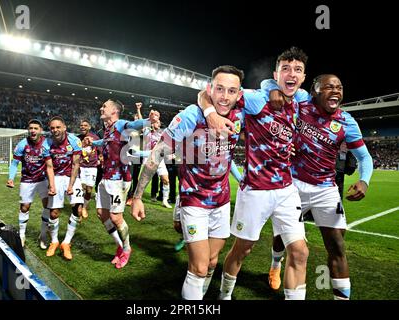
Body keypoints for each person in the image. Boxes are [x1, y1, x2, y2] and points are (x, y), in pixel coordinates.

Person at [199, 47, 309, 300]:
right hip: (256, 191)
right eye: (285, 69)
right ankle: (224, 296)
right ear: (276, 73)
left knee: (301, 252)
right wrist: (211, 114)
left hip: (286, 189)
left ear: (303, 77)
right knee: (242, 250)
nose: (292, 74)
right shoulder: (256, 98)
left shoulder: (302, 98)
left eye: (298, 70)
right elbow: (204, 94)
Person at [132, 65, 246, 300]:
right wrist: (136, 196)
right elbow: (156, 154)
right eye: (220, 89)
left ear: (239, 94)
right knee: (199, 268)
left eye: (231, 91)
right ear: (209, 89)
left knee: (213, 261)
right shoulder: (190, 117)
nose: (225, 96)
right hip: (193, 200)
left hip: (222, 201)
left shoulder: (242, 115)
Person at [263, 74, 373, 299]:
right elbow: (268, 82)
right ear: (315, 90)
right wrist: (273, 90)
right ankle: (275, 263)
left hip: (326, 189)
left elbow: (365, 157)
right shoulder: (302, 101)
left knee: (337, 246)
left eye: (340, 87)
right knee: (282, 238)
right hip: (292, 184)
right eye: (329, 87)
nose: (336, 91)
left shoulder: (347, 122)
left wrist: (364, 180)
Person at [86, 99, 159, 269]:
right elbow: (105, 142)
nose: (101, 108)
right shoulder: (108, 129)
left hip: (119, 180)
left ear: (114, 111)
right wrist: (93, 142)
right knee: (101, 214)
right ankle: (120, 245)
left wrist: (148, 121)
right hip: (106, 177)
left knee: (115, 217)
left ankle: (126, 249)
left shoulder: (120, 124)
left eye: (105, 106)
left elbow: (134, 124)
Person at [43, 116, 84, 261]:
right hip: (56, 177)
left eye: (58, 127)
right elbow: (49, 166)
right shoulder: (46, 143)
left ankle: (66, 243)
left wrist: (71, 185)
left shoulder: (74, 141)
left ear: (64, 127)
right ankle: (54, 241)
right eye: (52, 128)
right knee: (54, 213)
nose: (55, 130)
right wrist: (52, 185)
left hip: (73, 177)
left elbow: (76, 164)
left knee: (78, 210)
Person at [6, 119, 52, 249]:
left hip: (43, 180)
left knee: (48, 206)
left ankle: (43, 235)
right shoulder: (22, 144)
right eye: (31, 128)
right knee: (25, 207)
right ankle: (22, 235)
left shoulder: (47, 143)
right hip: (27, 180)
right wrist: (11, 178)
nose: (33, 130)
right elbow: (15, 163)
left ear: (41, 130)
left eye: (35, 128)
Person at [77, 120, 100, 221]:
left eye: (85, 125)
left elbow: (101, 150)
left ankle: (85, 206)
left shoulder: (95, 138)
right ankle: (80, 207)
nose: (83, 127)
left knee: (89, 190)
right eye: (81, 125)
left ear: (89, 127)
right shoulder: (77, 139)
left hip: (92, 167)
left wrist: (100, 158)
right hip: (80, 166)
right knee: (81, 188)